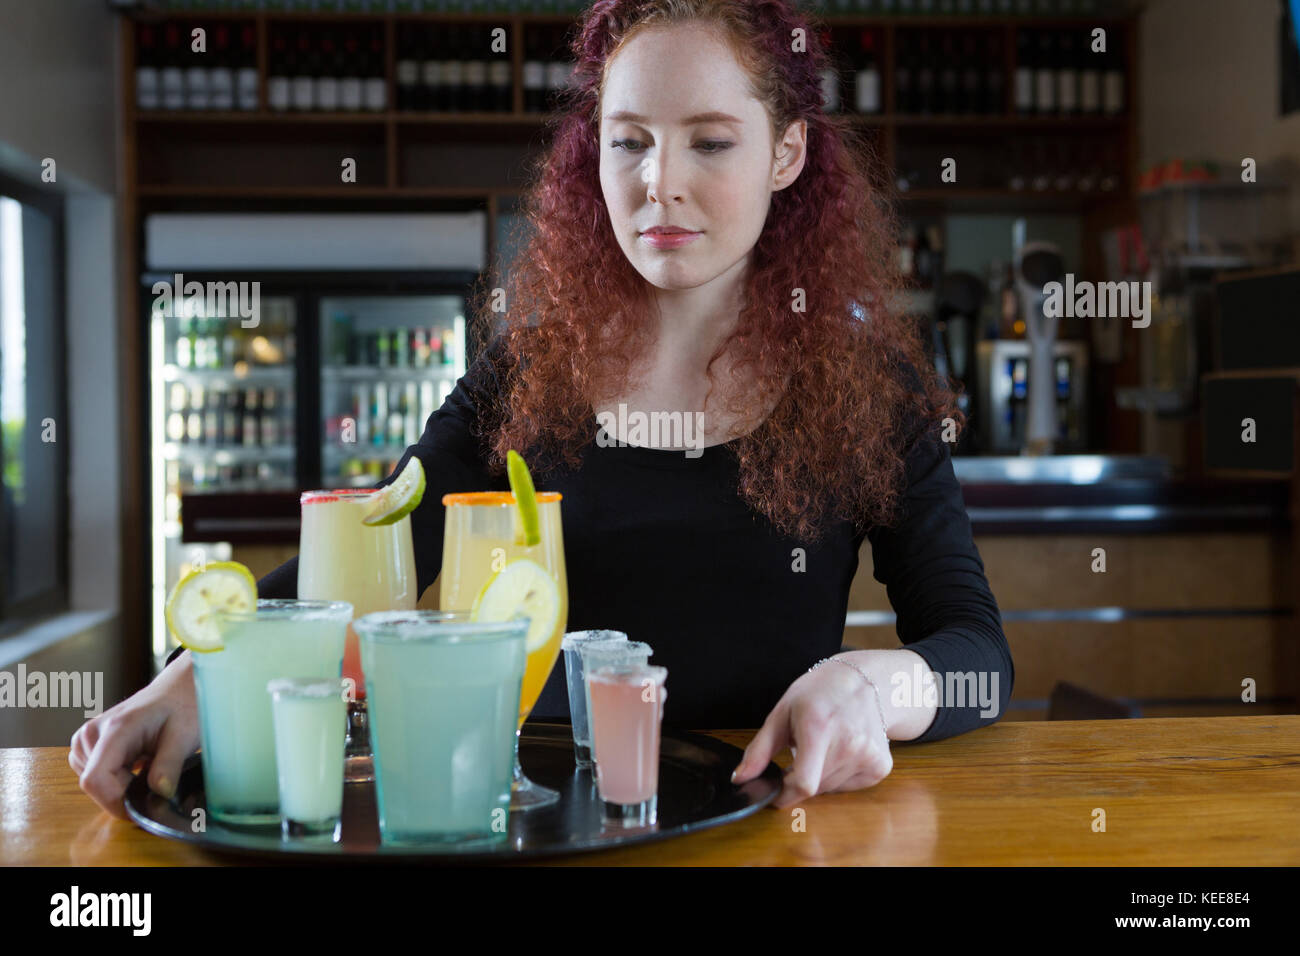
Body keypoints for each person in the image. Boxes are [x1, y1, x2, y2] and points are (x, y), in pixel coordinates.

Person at [73, 0, 1012, 818]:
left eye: (711, 142)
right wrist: (201, 673)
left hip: (771, 819)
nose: (659, 183)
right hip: (555, 824)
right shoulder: (531, 361)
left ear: (788, 152)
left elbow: (976, 651)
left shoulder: (869, 383)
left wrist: (870, 682)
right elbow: (388, 533)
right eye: (630, 139)